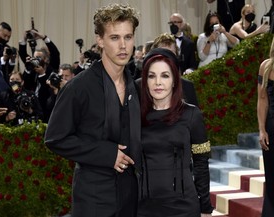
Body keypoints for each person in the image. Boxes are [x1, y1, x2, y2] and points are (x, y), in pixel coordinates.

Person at [44, 3, 141, 217]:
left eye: (128, 37)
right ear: (100, 40)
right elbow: (55, 138)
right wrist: (107, 154)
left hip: (130, 198)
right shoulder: (79, 87)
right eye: (115, 38)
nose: (123, 45)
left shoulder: (133, 84)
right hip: (93, 198)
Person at [137, 48, 213, 217]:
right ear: (145, 81)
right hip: (143, 208)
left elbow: (201, 164)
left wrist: (205, 207)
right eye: (151, 76)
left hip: (183, 208)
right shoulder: (135, 117)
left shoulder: (192, 115)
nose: (158, 82)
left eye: (165, 75)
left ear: (174, 80)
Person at [150, 32, 199, 106]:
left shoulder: (187, 86)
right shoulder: (140, 86)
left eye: (171, 53)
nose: (166, 58)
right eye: (162, 53)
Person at [257, 37, 274, 217]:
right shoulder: (266, 66)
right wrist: (261, 129)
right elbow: (262, 100)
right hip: (272, 130)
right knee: (271, 179)